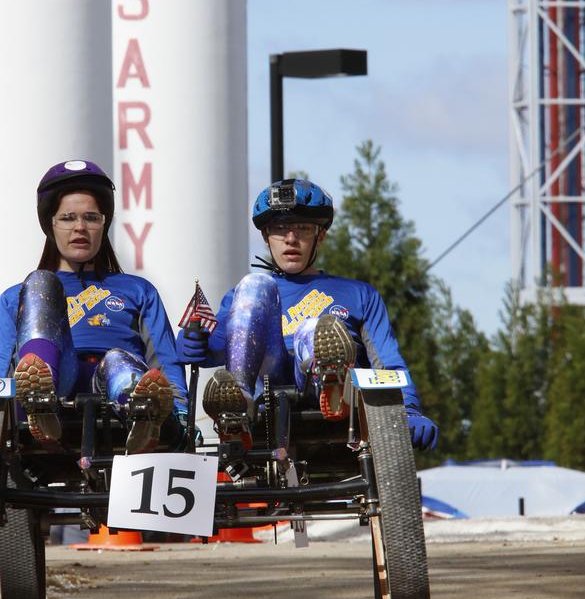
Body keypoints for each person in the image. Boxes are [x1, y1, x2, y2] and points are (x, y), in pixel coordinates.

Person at [176, 178, 438, 451]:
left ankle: (331, 386)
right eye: (280, 229)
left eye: (302, 228)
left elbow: (388, 364)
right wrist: (193, 340)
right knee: (254, 283)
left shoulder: (360, 294)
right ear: (266, 237)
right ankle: (238, 406)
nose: (291, 238)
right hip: (269, 394)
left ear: (320, 236)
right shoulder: (243, 297)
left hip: (336, 407)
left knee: (314, 329)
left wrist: (409, 408)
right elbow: (216, 347)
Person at [0, 159, 188, 452]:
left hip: (116, 395)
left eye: (91, 218)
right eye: (67, 218)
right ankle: (41, 402)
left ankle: (143, 419)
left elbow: (164, 362)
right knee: (40, 282)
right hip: (58, 389)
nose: (80, 227)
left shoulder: (139, 290)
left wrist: (181, 414)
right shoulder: (16, 297)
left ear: (104, 224)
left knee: (116, 360)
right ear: (51, 225)